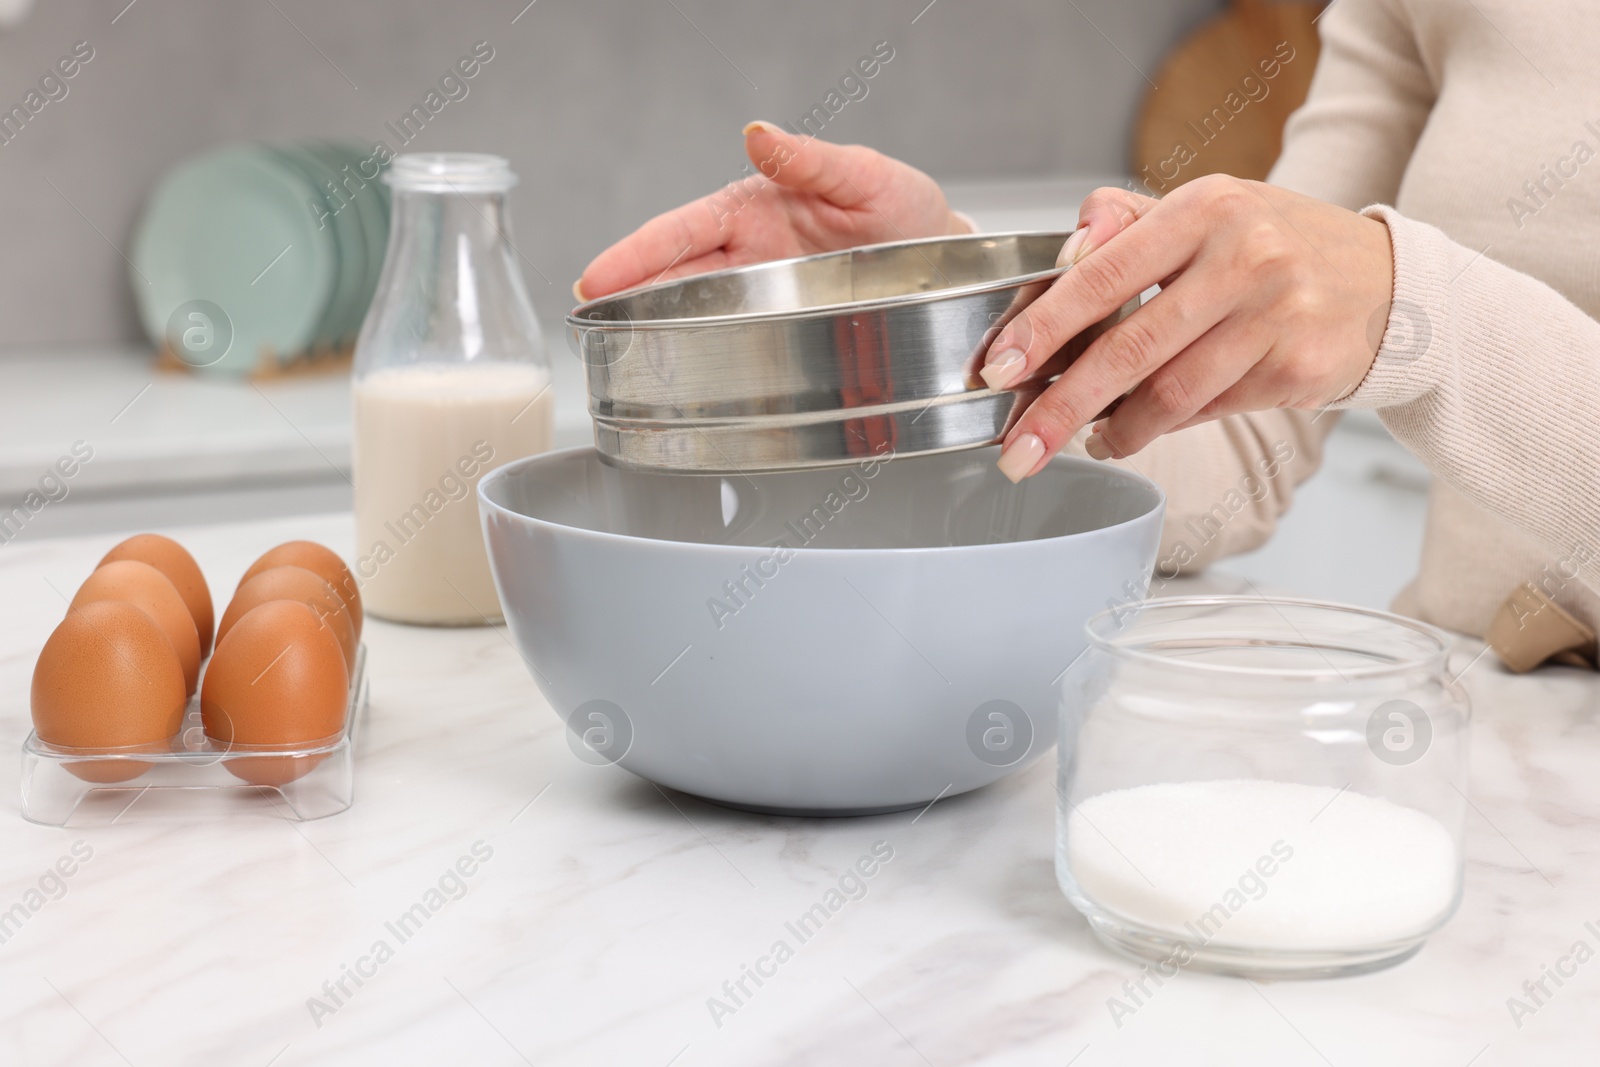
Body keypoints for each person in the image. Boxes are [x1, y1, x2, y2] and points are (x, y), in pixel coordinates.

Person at [577, 0, 1599, 664]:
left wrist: (1418, 314)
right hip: (1468, 732)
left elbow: (1401, 311)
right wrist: (952, 326)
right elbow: (1241, 448)